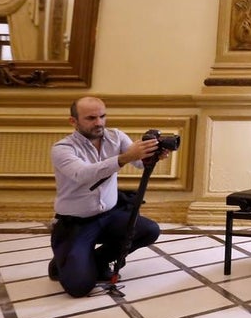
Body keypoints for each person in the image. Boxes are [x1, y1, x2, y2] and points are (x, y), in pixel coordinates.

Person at [49, 96, 167, 297]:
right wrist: (125, 157)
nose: (99, 123)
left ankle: (98, 260)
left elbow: (138, 163)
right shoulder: (62, 149)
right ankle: (63, 262)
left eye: (102, 116)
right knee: (79, 288)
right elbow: (83, 175)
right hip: (76, 224)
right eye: (91, 118)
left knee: (149, 230)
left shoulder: (116, 136)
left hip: (109, 215)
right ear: (73, 121)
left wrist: (152, 153)